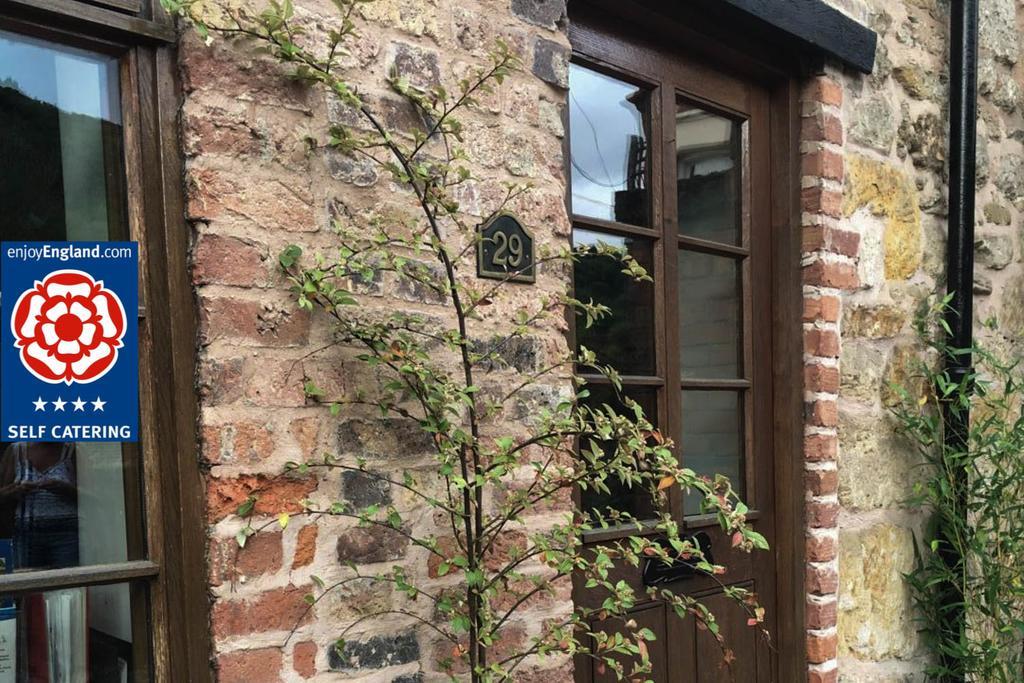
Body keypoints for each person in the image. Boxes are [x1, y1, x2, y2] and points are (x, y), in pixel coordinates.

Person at [0, 442, 78, 570]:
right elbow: (2, 495)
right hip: (26, 535)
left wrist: (66, 490)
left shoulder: (72, 451)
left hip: (67, 534)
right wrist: (16, 490)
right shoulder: (16, 451)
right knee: (27, 584)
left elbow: (93, 497)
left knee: (68, 585)